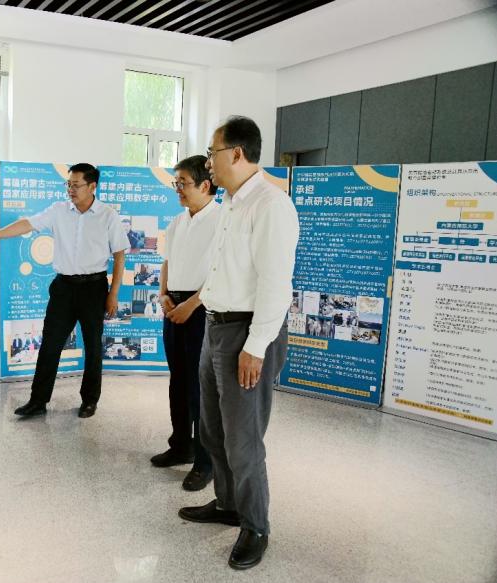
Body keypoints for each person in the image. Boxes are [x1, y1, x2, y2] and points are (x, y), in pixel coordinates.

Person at [178, 116, 299, 570]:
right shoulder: (231, 203)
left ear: (236, 153)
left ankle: (256, 525)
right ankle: (228, 504)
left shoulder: (271, 205)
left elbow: (276, 283)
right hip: (217, 327)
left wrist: (257, 345)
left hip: (248, 333)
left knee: (243, 438)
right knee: (212, 429)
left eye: (212, 152)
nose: (208, 161)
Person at [0, 163, 127, 418]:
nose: (70, 190)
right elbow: (27, 224)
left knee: (93, 347)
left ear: (92, 186)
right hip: (63, 287)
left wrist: (114, 294)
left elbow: (119, 256)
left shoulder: (108, 216)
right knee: (50, 345)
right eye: (68, 184)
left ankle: (89, 400)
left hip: (94, 288)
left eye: (76, 185)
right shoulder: (58, 210)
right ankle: (38, 400)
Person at [151, 154, 220, 492]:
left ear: (205, 185)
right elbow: (167, 261)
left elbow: (222, 272)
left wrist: (191, 305)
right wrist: (163, 295)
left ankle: (205, 463)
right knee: (178, 381)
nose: (177, 188)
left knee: (201, 388)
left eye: (183, 183)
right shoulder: (177, 222)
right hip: (174, 306)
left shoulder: (223, 220)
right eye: (175, 183)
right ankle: (181, 445)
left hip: (202, 309)